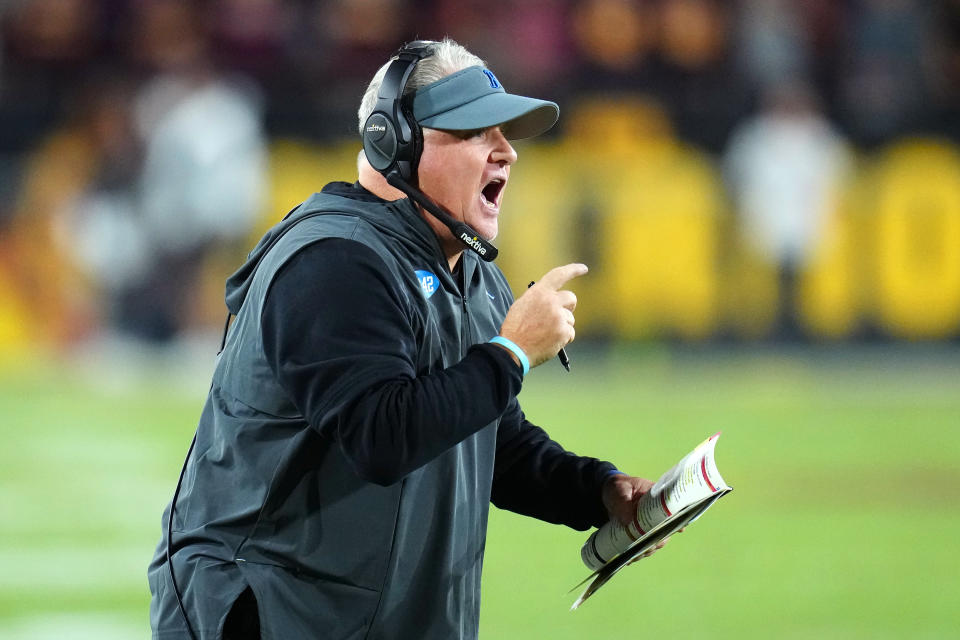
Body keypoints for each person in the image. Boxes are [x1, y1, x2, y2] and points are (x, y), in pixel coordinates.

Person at [148, 37, 660, 640]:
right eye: (477, 133)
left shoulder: (470, 272)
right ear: (393, 142)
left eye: (507, 135)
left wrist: (597, 491)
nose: (506, 153)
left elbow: (489, 441)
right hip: (275, 611)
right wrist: (513, 353)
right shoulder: (334, 259)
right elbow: (380, 434)